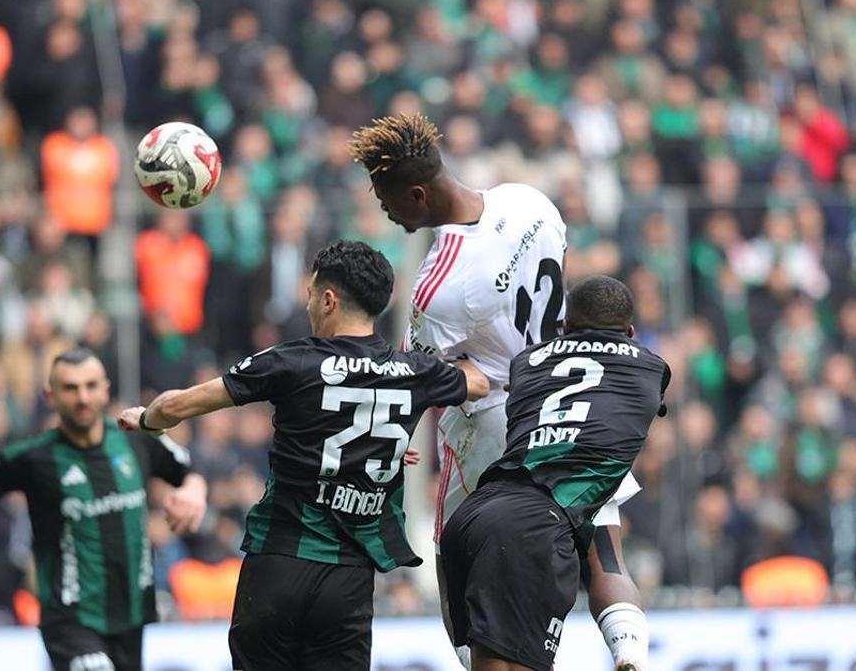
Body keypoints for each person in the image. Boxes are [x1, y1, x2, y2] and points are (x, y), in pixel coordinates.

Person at [350, 113, 651, 670]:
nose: (386, 212)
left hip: (493, 431)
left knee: (459, 572)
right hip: (568, 401)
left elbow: (420, 380)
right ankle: (631, 655)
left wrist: (387, 445)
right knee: (605, 550)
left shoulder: (437, 287)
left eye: (387, 199)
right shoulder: (530, 202)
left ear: (417, 194)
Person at [116, 240, 488, 671]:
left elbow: (178, 406)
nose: (308, 305)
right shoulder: (415, 373)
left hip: (280, 566)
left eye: (311, 295)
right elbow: (478, 382)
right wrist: (384, 433)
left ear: (329, 300)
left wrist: (147, 420)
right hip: (349, 581)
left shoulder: (291, 361)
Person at [0, 349, 208, 671]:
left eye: (91, 386)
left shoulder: (135, 443)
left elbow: (189, 469)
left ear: (106, 389)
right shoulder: (33, 458)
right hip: (69, 621)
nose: (82, 397)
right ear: (50, 396)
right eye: (70, 388)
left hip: (130, 615)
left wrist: (193, 491)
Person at [441, 276, 670, 671]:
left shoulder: (526, 363)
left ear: (565, 326)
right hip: (533, 525)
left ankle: (630, 652)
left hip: (475, 510)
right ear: (631, 333)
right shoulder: (650, 366)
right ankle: (630, 651)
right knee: (605, 547)